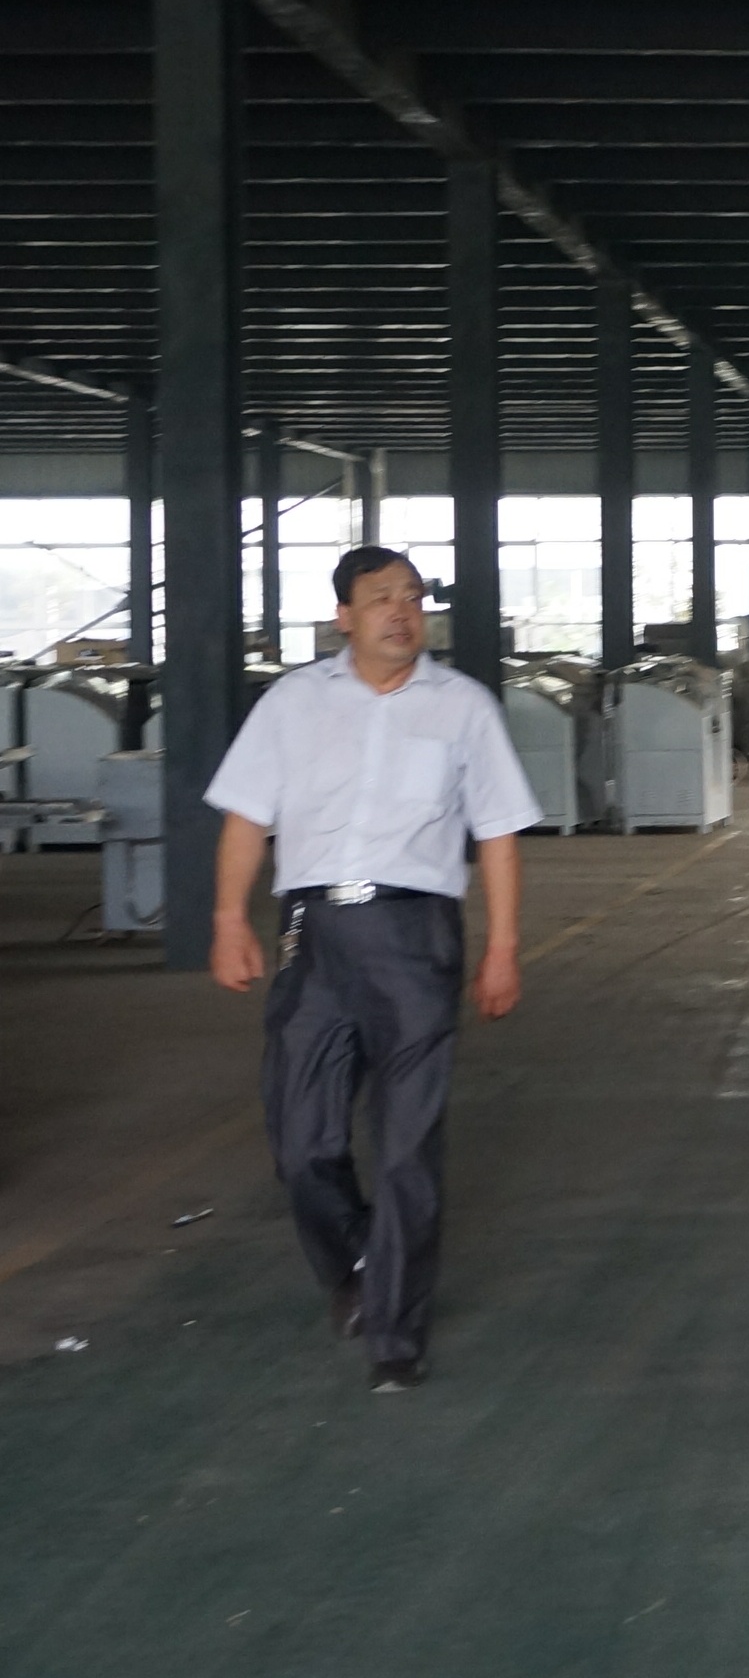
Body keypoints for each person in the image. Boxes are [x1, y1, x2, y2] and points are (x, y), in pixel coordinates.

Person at [205, 545, 540, 1393]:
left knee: (405, 1146)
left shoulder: (462, 707)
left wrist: (502, 947)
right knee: (300, 1141)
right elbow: (246, 816)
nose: (401, 610)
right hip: (312, 935)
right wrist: (227, 919)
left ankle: (396, 1333)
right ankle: (356, 1259)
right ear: (343, 617)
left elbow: (498, 832)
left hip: (415, 939)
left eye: (413, 597)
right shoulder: (292, 703)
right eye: (381, 597)